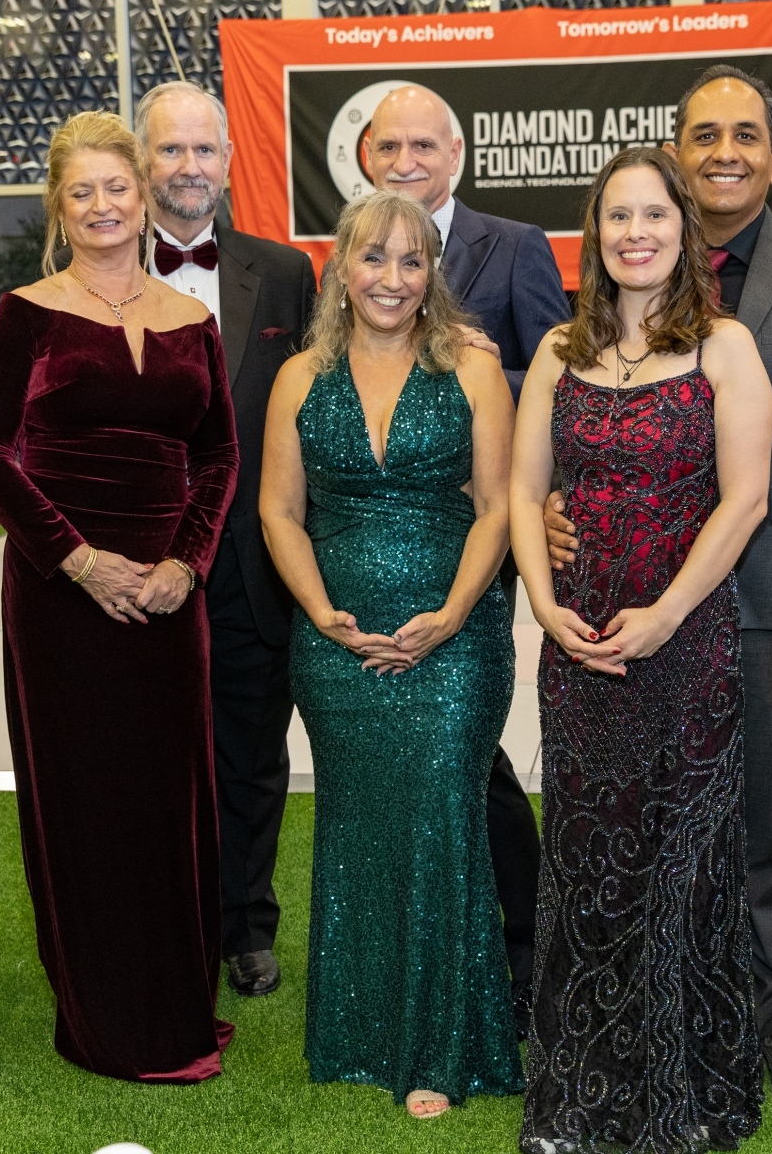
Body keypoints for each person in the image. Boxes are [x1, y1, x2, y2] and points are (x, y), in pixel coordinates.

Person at [542, 65, 772, 1113]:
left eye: (746, 134)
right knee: (642, 804)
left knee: (768, 809)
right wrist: (561, 502)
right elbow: (579, 421)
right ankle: (656, 990)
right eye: (703, 134)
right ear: (676, 154)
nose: (725, 152)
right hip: (629, 593)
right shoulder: (618, 280)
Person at [0, 111, 239, 1083]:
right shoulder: (25, 314)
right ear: (58, 206)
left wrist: (185, 566)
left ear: (142, 195)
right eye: (80, 192)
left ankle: (176, 1003)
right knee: (83, 801)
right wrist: (78, 562)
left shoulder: (192, 321)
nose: (101, 205)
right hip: (61, 599)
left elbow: (218, 455)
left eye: (115, 187)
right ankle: (103, 1019)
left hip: (169, 600)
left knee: (170, 799)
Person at [513, 146, 772, 1153]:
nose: (635, 233)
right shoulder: (556, 351)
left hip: (687, 645)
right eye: (617, 216)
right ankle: (582, 1092)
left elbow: (743, 500)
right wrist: (543, 606)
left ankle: (686, 1095)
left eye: (653, 215)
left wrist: (664, 614)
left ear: (682, 228)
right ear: (594, 232)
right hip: (578, 647)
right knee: (587, 858)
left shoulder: (724, 347)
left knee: (681, 858)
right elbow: (520, 492)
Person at [259, 191, 521, 1119]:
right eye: (374, 258)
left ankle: (441, 1049)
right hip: (334, 646)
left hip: (456, 644)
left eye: (413, 261)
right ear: (341, 266)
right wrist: (320, 612)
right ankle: (358, 1032)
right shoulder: (298, 378)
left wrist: (451, 615)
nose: (393, 279)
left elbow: (497, 507)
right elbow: (278, 511)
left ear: (432, 273)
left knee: (442, 822)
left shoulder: (472, 368)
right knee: (357, 827)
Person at [366, 83, 571, 1028]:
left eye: (424, 145)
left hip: (470, 539)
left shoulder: (514, 244)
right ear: (366, 155)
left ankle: (524, 940)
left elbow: (562, 371)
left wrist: (472, 366)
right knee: (400, 751)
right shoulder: (349, 252)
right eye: (389, 146)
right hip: (369, 545)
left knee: (468, 750)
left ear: (455, 155)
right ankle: (418, 936)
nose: (406, 161)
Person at [136, 80, 317, 998]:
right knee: (146, 756)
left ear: (230, 162)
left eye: (203, 149)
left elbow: (314, 409)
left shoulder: (283, 273)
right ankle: (159, 924)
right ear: (141, 161)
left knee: (250, 754)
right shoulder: (97, 265)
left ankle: (245, 925)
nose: (188, 166)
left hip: (252, 561)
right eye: (170, 149)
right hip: (133, 564)